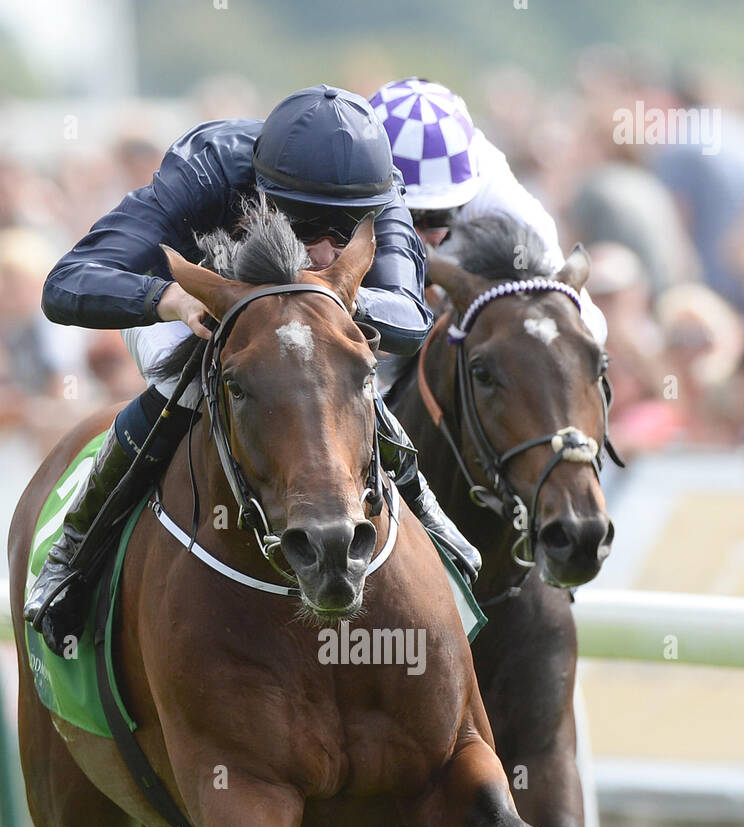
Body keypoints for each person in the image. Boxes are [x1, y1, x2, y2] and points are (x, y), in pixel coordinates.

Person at [25, 85, 480, 655]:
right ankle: (74, 556)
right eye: (305, 226)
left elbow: (411, 319)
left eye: (340, 234)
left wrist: (331, 304)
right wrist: (167, 297)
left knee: (335, 364)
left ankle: (429, 516)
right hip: (190, 307)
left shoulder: (377, 192)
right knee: (189, 379)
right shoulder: (207, 170)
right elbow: (66, 283)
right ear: (262, 192)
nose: (321, 250)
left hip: (297, 323)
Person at [368, 77, 607, 344]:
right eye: (405, 216)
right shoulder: (346, 169)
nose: (419, 237)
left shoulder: (510, 212)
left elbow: (588, 327)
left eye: (436, 218)